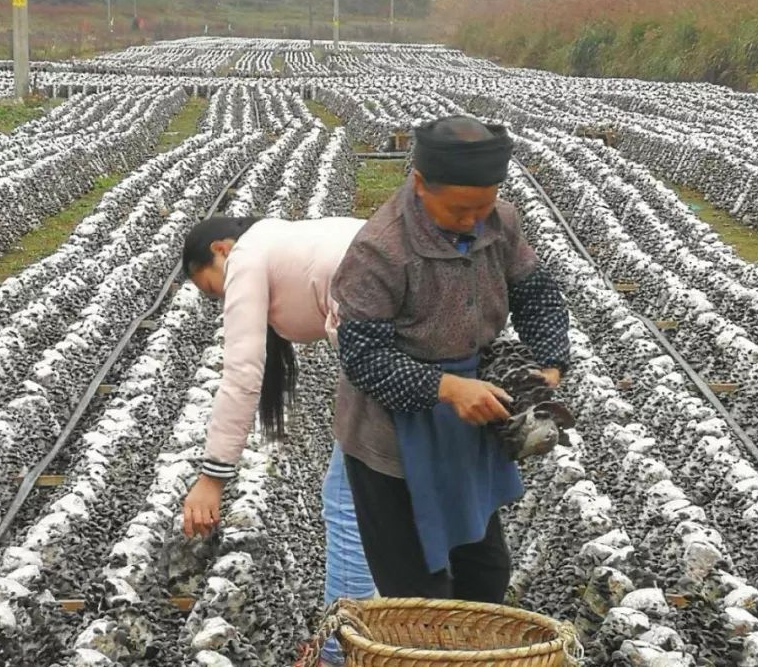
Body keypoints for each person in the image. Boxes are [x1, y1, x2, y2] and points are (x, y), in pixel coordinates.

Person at [330, 115, 571, 602]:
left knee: (485, 572)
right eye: (460, 210)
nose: (474, 221)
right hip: (393, 436)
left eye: (484, 207)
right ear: (420, 184)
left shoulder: (499, 222)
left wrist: (550, 362)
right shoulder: (380, 250)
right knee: (418, 591)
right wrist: (445, 388)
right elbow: (364, 356)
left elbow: (536, 293)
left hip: (467, 422)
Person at [180, 215, 376, 664]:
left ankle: (338, 653)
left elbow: (242, 372)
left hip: (388, 351)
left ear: (221, 250)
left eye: (213, 289)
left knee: (348, 502)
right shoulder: (293, 238)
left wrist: (213, 475)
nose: (223, 298)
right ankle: (410, 623)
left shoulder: (247, 256)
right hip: (426, 339)